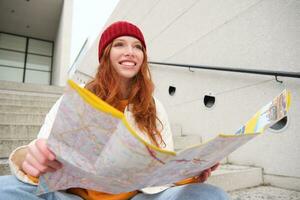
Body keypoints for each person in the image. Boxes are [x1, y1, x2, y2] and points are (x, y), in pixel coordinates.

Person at [0, 21, 229, 200]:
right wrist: (32, 155)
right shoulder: (79, 97)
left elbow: (159, 173)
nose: (130, 51)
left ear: (143, 58)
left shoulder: (155, 107)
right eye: (120, 44)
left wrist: (187, 175)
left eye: (137, 47)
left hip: (136, 197)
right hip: (71, 196)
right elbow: (41, 147)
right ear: (106, 54)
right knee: (5, 188)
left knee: (212, 195)